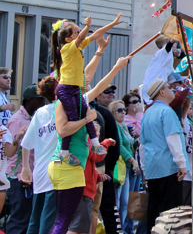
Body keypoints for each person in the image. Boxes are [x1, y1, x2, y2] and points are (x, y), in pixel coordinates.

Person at [48, 56, 129, 234]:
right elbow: (62, 131)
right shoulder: (64, 103)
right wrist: (87, 119)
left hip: (73, 169)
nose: (84, 82)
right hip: (66, 167)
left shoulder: (78, 102)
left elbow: (97, 83)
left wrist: (113, 65)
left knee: (72, 223)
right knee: (70, 224)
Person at [50, 14, 123, 164]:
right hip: (66, 90)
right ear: (68, 39)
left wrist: (113, 23)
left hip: (75, 89)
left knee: (86, 113)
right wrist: (87, 27)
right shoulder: (67, 48)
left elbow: (96, 35)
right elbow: (83, 36)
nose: (81, 33)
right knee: (73, 118)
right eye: (76, 32)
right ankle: (64, 152)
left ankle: (96, 144)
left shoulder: (77, 47)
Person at [141, 78, 188, 228]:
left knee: (154, 209)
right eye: (169, 87)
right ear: (162, 92)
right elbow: (172, 139)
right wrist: (181, 163)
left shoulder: (147, 113)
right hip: (169, 168)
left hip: (152, 168)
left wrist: (144, 169)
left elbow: (142, 145)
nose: (172, 89)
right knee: (171, 212)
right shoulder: (166, 112)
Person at [20, 77, 60, 234]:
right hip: (54, 173)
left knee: (36, 219)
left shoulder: (39, 112)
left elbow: (26, 144)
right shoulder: (63, 109)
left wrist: (25, 168)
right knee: (47, 221)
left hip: (40, 172)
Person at [4, 85, 46, 234]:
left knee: (29, 219)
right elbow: (11, 152)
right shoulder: (17, 120)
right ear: (30, 100)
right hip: (19, 177)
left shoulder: (35, 118)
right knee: (19, 220)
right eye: (40, 99)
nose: (43, 103)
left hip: (32, 176)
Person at [91, 84, 121, 234]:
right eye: (107, 91)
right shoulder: (74, 112)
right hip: (83, 167)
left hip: (102, 167)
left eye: (113, 91)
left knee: (105, 206)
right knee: (88, 209)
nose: (111, 94)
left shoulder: (103, 113)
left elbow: (115, 143)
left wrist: (110, 167)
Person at [109, 99, 140, 234]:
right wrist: (132, 159)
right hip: (120, 168)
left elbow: (130, 143)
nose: (123, 113)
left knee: (127, 202)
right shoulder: (115, 126)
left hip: (128, 168)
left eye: (124, 110)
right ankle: (119, 230)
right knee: (120, 203)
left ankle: (125, 229)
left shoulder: (123, 126)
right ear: (112, 113)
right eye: (119, 110)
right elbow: (119, 145)